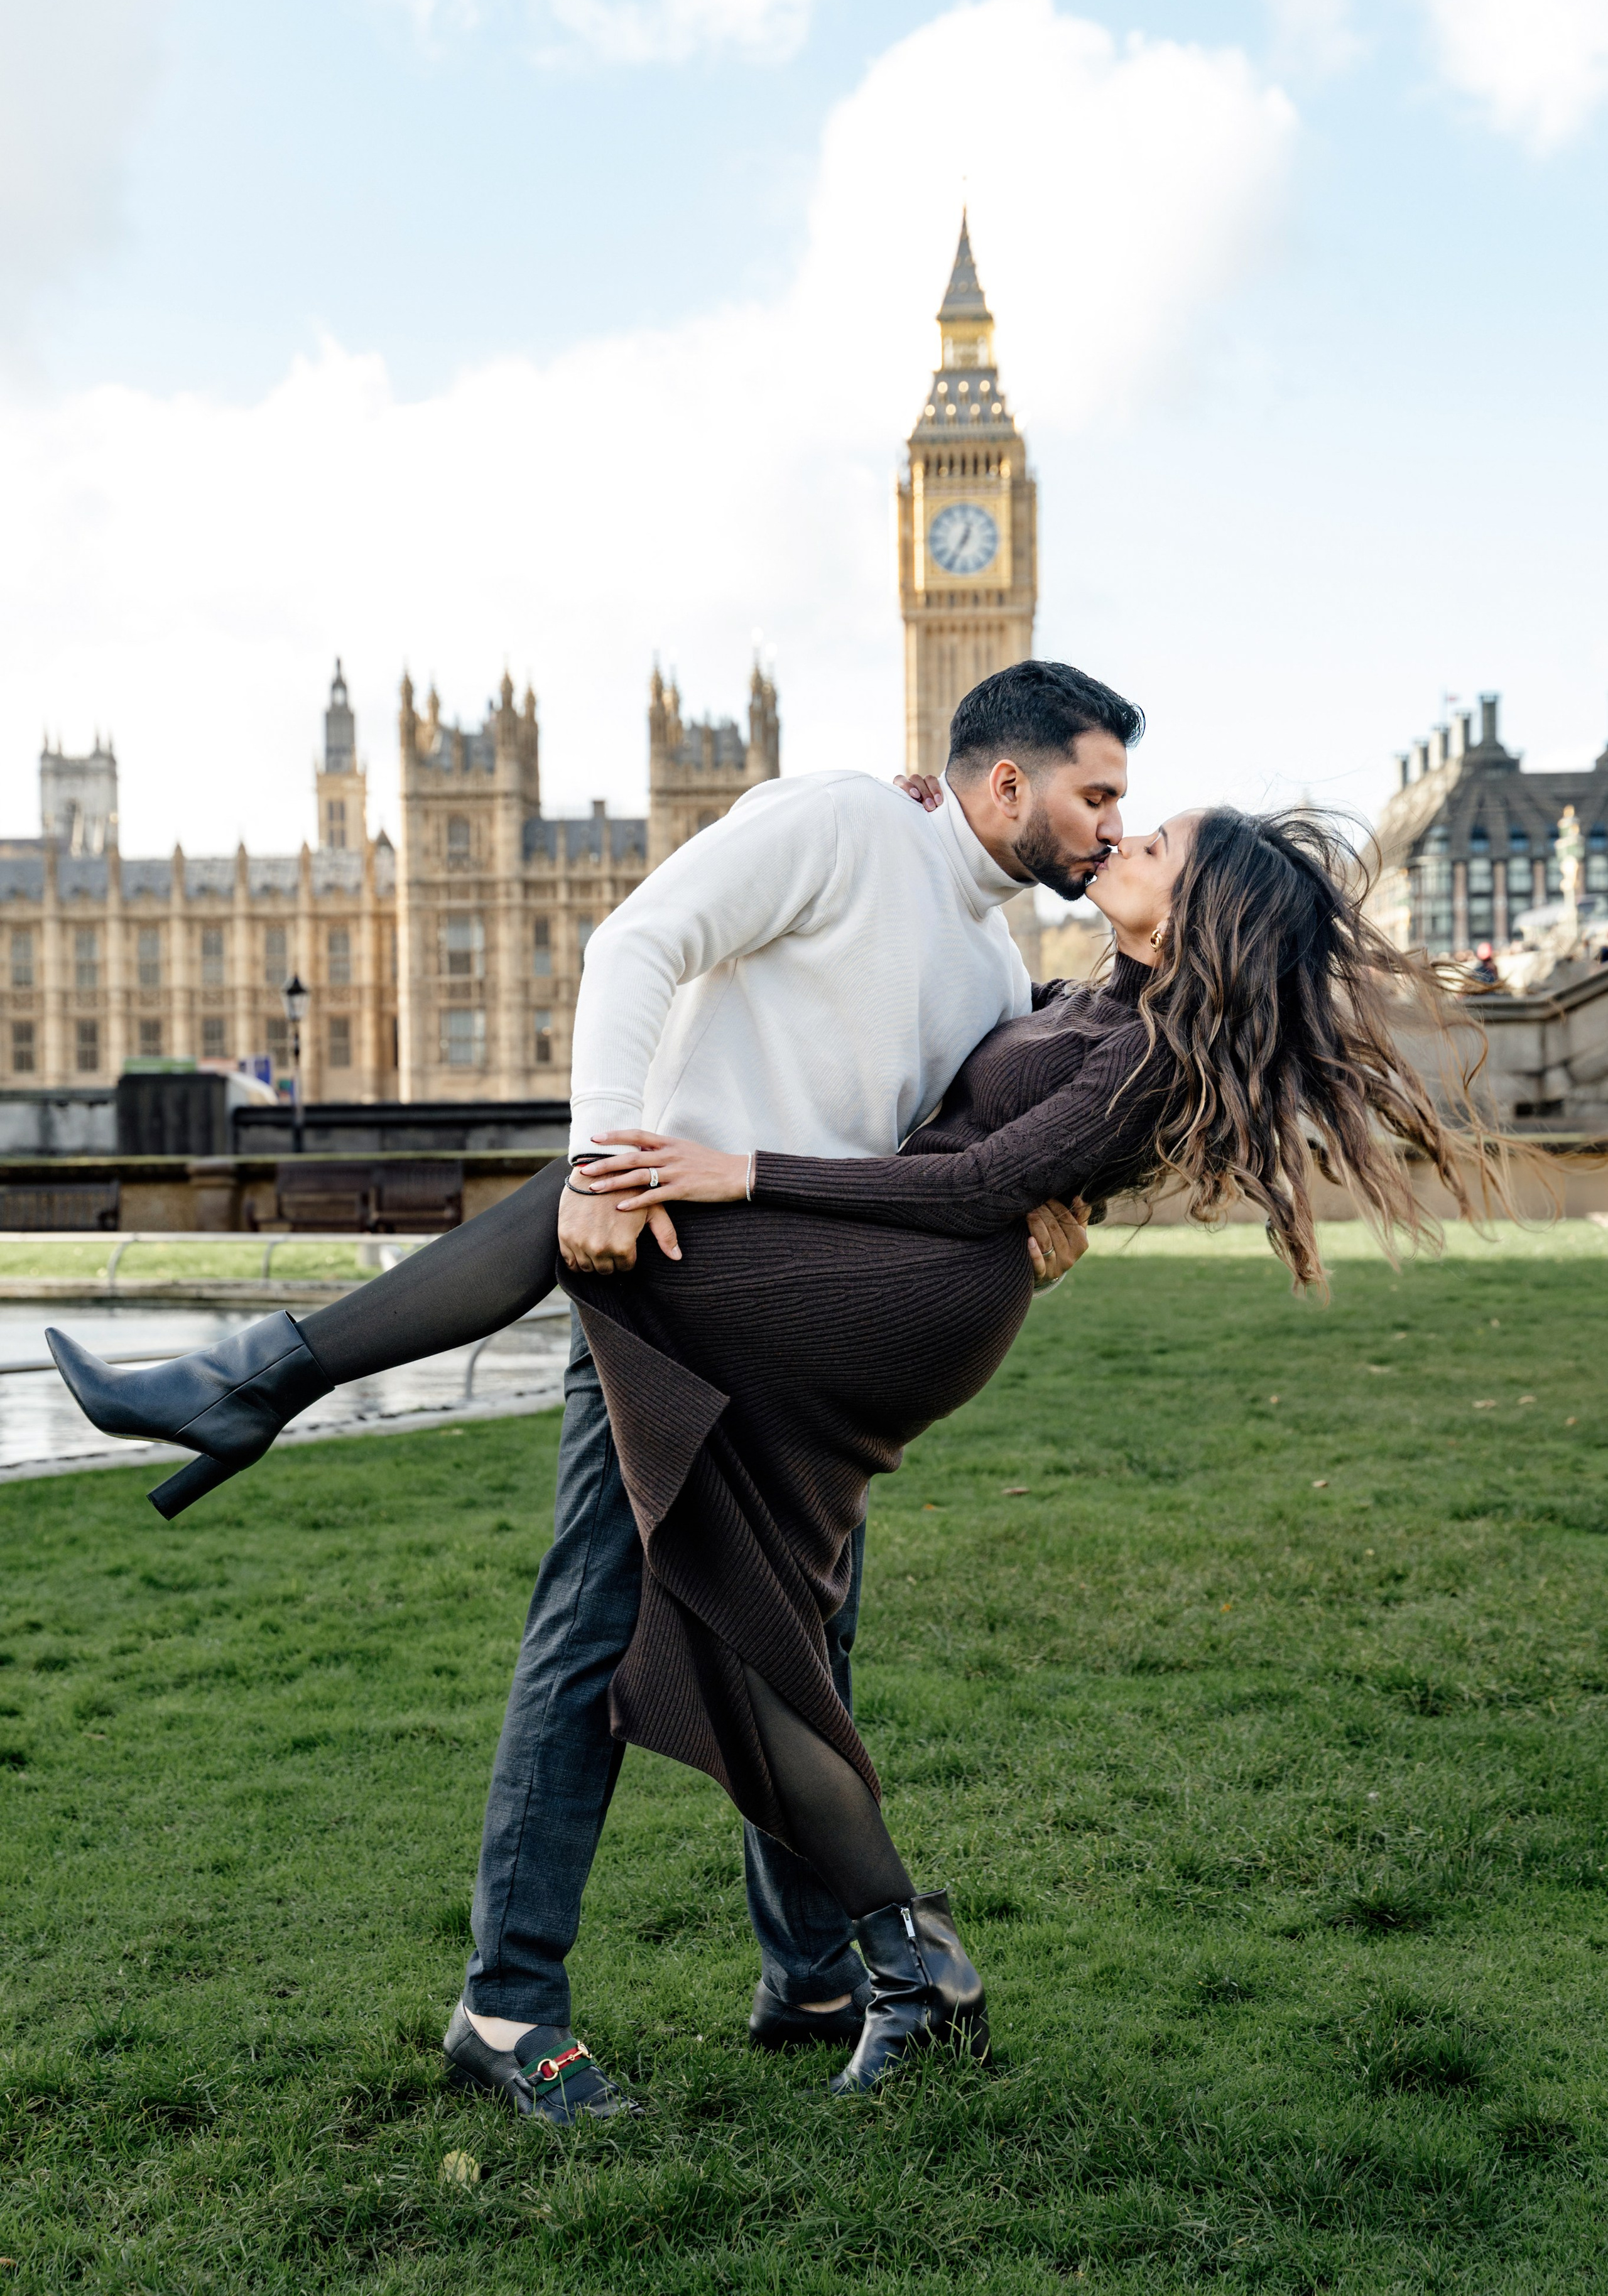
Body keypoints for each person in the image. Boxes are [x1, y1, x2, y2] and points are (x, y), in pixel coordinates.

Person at [48, 659, 1143, 2117]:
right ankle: (508, 2003)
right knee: (593, 1634)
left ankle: (813, 1967)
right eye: (1095, 793)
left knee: (802, 1647)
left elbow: (938, 1169)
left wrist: (1035, 1219)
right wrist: (601, 1163)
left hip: (798, 1344)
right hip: (666, 1292)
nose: (1105, 825)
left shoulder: (993, 969)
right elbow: (637, 940)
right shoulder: (836, 821)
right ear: (1005, 783)